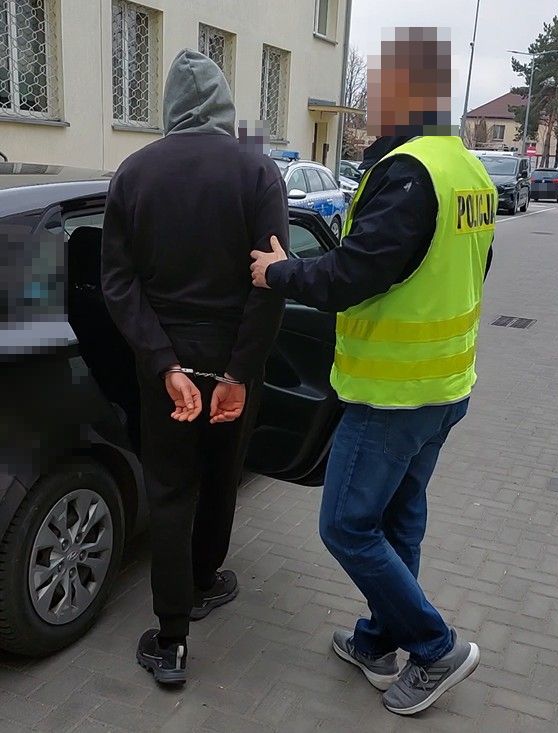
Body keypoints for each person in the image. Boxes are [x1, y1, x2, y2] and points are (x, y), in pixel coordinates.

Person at [251, 28, 496, 716]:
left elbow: (352, 274)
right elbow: (471, 270)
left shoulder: (411, 172)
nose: (372, 104)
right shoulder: (467, 169)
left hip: (394, 394)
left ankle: (434, 647)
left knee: (346, 526)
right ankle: (378, 642)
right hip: (445, 388)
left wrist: (280, 273)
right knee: (397, 520)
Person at [101, 50, 288, 685]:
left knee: (170, 490)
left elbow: (117, 283)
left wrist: (163, 364)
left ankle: (172, 639)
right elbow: (272, 284)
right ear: (224, 104)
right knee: (221, 476)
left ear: (170, 107)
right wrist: (239, 372)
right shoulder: (258, 170)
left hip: (167, 368)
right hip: (233, 359)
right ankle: (206, 580)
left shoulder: (134, 172)